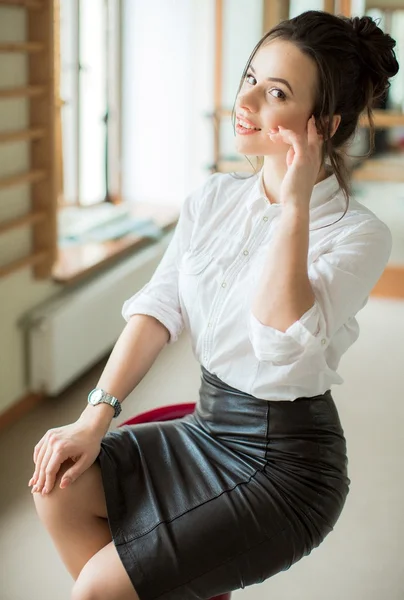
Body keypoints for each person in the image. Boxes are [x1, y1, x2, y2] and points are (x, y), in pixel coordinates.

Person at [30, 10, 399, 600]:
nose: (245, 99)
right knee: (59, 484)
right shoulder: (213, 197)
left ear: (323, 124)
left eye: (275, 91)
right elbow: (159, 308)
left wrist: (295, 208)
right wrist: (93, 418)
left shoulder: (359, 233)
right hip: (207, 426)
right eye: (250, 76)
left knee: (98, 591)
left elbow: (279, 341)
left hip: (283, 464)